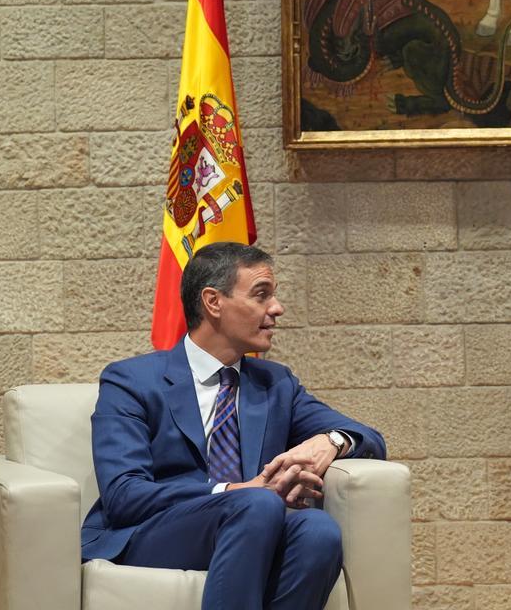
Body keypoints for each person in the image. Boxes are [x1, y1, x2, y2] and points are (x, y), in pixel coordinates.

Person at [81, 242, 386, 609]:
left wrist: (330, 441)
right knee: (258, 503)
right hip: (151, 531)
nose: (277, 309)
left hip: (251, 525)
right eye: (261, 295)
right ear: (213, 302)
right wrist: (238, 489)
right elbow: (124, 495)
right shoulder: (131, 380)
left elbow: (371, 439)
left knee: (318, 531)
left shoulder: (276, 384)